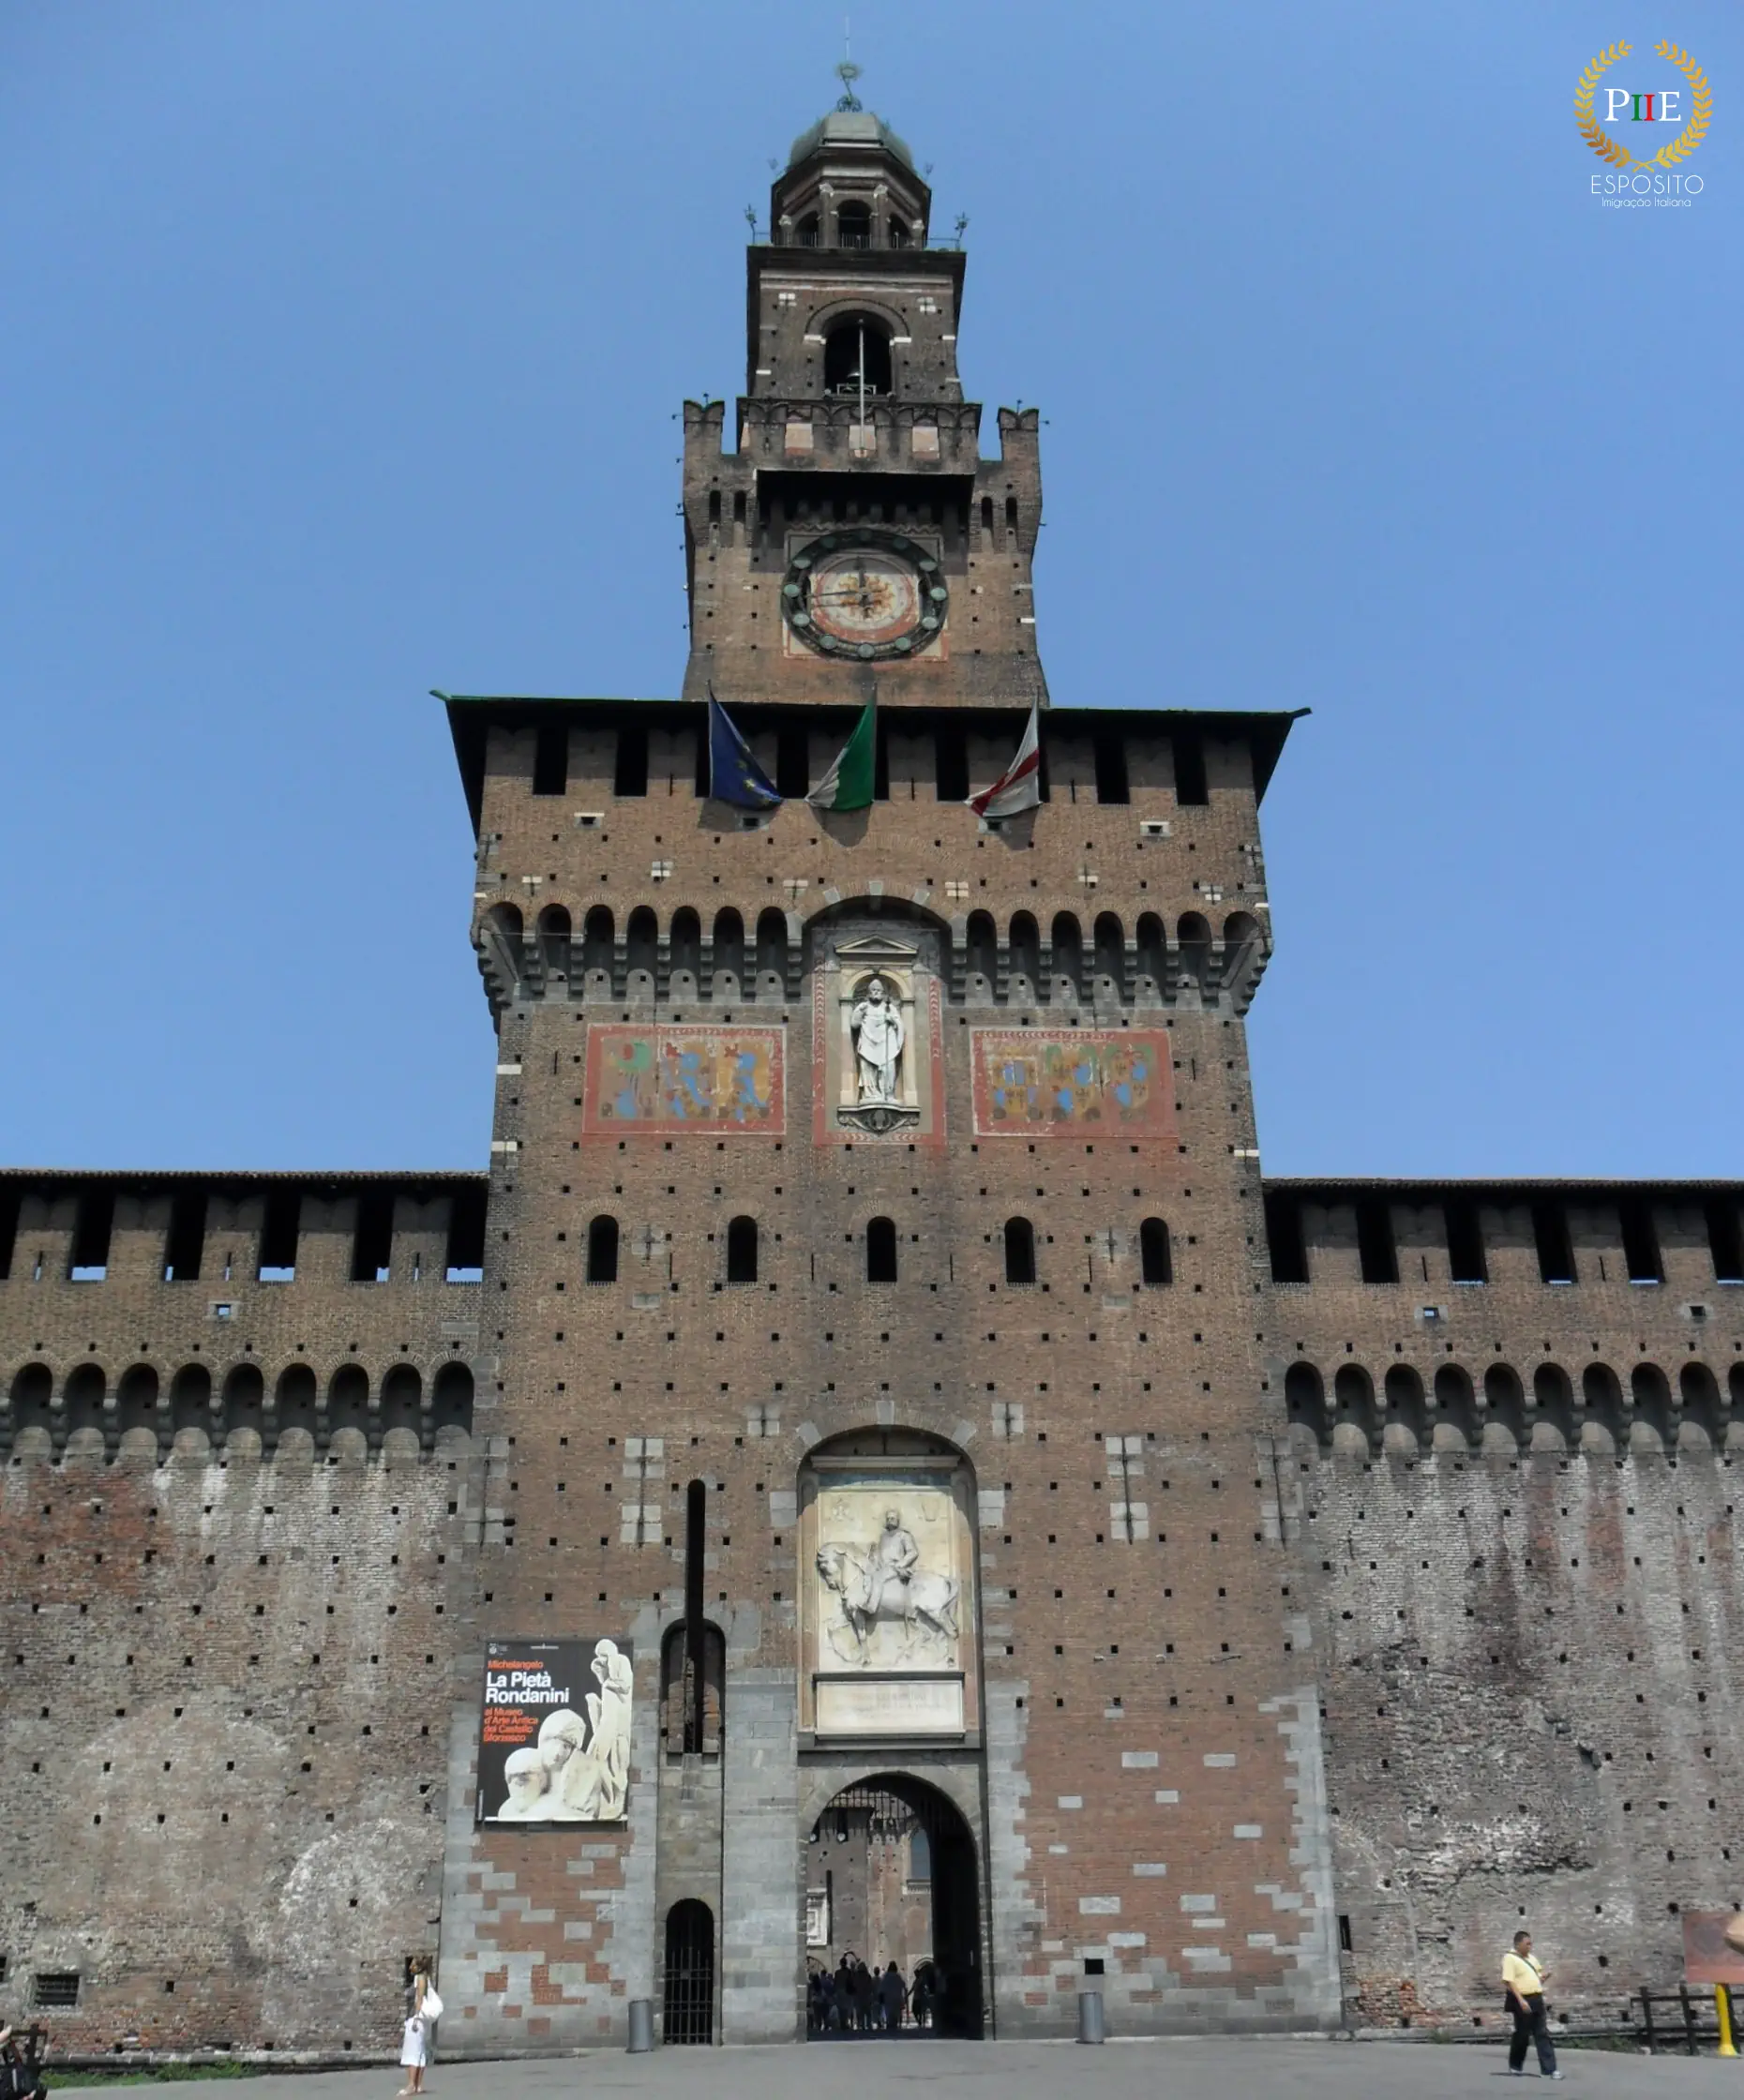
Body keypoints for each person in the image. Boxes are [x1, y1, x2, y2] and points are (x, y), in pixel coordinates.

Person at [1503, 1929, 1561, 2078]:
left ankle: (1550, 2069)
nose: (1530, 1946)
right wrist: (1521, 2000)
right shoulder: (1510, 1958)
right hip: (1522, 2000)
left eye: (1531, 1944)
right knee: (1522, 2034)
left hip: (1537, 1998)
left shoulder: (1532, 1958)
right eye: (1527, 1944)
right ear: (1518, 1944)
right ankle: (1515, 2066)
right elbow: (1509, 1981)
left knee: (1542, 2033)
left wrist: (1544, 1978)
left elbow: (1538, 1978)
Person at [398, 1956, 433, 2096]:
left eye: (413, 1965)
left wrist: (416, 2018)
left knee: (411, 2052)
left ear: (418, 1967)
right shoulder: (425, 1978)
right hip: (421, 2019)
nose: (410, 1967)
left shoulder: (420, 1978)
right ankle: (418, 2085)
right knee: (420, 2052)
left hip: (416, 2018)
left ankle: (411, 2085)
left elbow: (419, 1998)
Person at [879, 1959, 908, 2034]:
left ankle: (890, 2027)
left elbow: (882, 1988)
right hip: (897, 1998)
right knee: (896, 2014)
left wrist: (881, 1997)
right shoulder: (898, 1976)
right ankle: (895, 2028)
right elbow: (904, 1986)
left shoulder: (886, 1976)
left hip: (888, 1999)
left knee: (889, 2014)